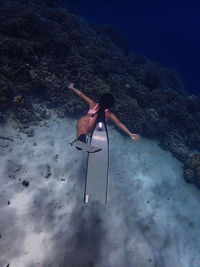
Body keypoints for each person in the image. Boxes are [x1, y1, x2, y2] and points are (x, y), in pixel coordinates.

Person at [68, 83, 140, 144]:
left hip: (84, 120)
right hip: (95, 126)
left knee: (82, 131)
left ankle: (81, 140)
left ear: (101, 99)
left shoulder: (92, 104)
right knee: (99, 131)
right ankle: (87, 140)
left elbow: (81, 94)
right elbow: (119, 123)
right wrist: (130, 134)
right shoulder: (109, 114)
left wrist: (72, 88)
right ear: (111, 105)